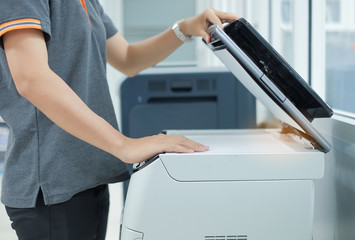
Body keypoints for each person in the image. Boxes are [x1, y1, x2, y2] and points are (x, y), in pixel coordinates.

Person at [0, 0, 238, 239]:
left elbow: (128, 58)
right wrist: (124, 145)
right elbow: (31, 78)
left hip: (89, 175)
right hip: (53, 185)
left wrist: (185, 28)